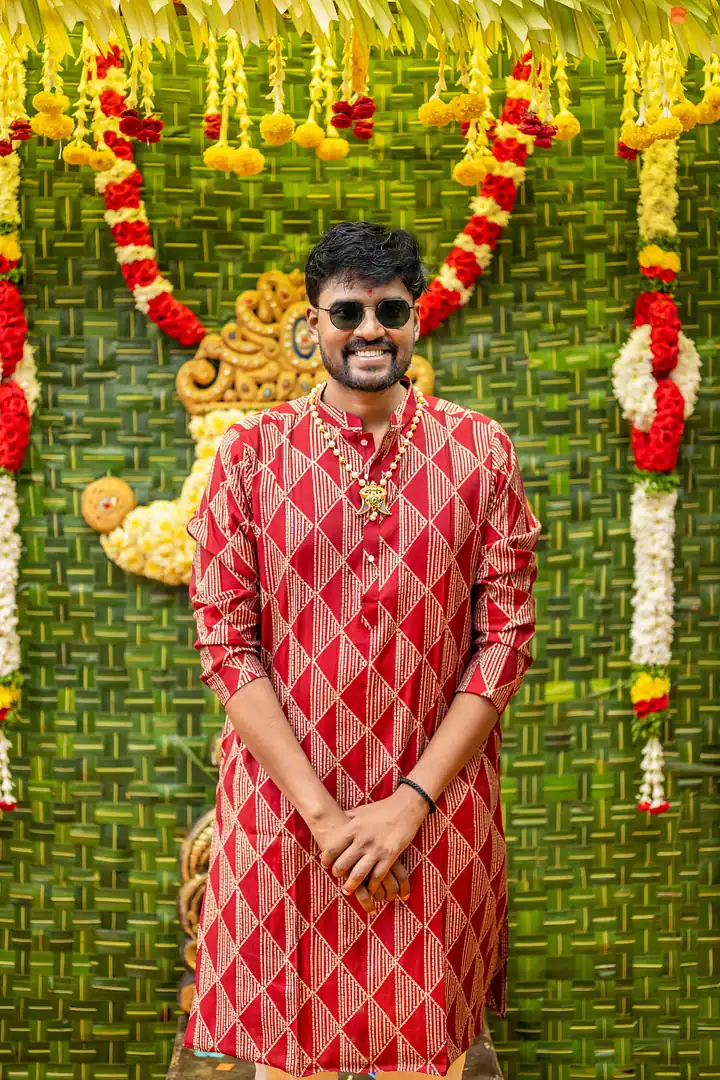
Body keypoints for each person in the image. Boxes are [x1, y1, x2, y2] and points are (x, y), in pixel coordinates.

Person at [184, 221, 541, 1080]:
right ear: (313, 324)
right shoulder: (250, 455)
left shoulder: (480, 452)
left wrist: (407, 806)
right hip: (287, 818)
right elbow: (226, 644)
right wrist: (327, 820)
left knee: (426, 1059)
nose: (370, 329)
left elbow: (504, 644)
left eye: (391, 310)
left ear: (416, 319)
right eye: (348, 311)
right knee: (286, 1061)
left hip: (435, 816)